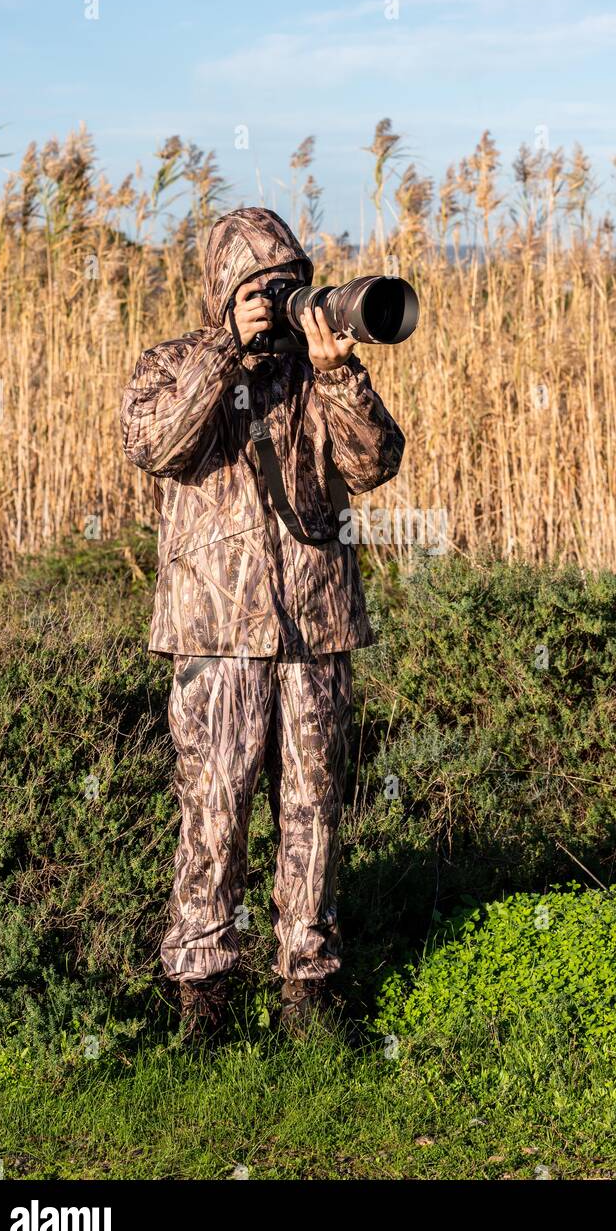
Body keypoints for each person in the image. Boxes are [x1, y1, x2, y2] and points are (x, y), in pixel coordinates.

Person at [120, 206, 405, 1040]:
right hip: (214, 636)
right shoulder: (173, 363)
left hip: (315, 629)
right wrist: (224, 350)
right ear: (221, 290)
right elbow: (158, 444)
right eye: (255, 287)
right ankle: (203, 997)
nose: (273, 300)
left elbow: (374, 463)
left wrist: (341, 375)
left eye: (284, 285)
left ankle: (307, 990)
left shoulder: (313, 376)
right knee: (213, 812)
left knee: (313, 812)